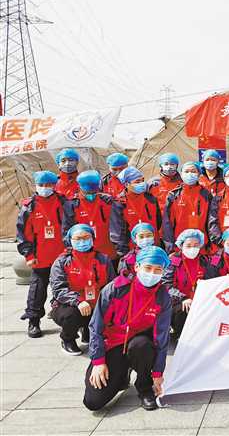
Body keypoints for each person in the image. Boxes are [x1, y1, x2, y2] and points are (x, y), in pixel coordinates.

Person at [83, 246, 172, 411]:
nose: (152, 273)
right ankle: (122, 374)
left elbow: (162, 337)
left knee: (142, 345)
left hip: (139, 346)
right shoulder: (115, 289)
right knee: (93, 402)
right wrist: (98, 361)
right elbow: (95, 327)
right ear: (137, 267)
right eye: (148, 268)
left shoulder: (162, 296)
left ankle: (144, 388)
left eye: (158, 270)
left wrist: (158, 373)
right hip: (113, 345)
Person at [17, 171, 69, 337]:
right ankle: (33, 320)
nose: (45, 188)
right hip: (40, 258)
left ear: (54, 185)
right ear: (36, 185)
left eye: (48, 185)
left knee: (66, 288)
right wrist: (29, 255)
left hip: (63, 257)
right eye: (42, 185)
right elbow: (23, 234)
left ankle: (69, 321)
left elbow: (71, 225)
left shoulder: (63, 202)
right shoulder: (29, 206)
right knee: (37, 291)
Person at [50, 224, 115, 355]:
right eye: (78, 239)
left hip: (97, 302)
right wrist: (78, 301)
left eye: (86, 237)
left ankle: (89, 331)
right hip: (72, 305)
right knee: (70, 315)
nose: (82, 241)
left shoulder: (103, 259)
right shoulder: (62, 262)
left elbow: (112, 284)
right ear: (70, 240)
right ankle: (67, 339)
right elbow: (59, 289)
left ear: (93, 238)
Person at [63, 170, 126, 265]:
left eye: (94, 191)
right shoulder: (72, 205)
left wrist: (120, 250)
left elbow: (119, 226)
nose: (91, 194)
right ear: (79, 187)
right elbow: (67, 232)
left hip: (110, 253)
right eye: (87, 192)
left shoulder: (108, 201)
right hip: (86, 254)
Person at [163, 229, 215, 338]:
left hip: (199, 300)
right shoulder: (173, 261)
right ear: (181, 245)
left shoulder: (204, 261)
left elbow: (211, 282)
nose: (192, 248)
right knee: (184, 309)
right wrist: (183, 298)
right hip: (177, 301)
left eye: (196, 245)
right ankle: (180, 335)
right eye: (189, 245)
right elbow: (166, 285)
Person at [162, 161, 213, 253]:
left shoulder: (206, 195)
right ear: (181, 174)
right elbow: (167, 223)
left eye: (193, 171)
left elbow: (211, 221)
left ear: (199, 174)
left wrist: (210, 245)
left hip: (201, 245)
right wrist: (170, 247)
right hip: (179, 245)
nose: (190, 174)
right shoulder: (173, 195)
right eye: (186, 171)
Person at [117, 166, 162, 249]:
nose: (141, 184)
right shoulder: (120, 202)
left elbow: (159, 221)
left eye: (142, 180)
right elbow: (118, 232)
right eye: (137, 182)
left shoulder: (151, 198)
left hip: (154, 245)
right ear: (127, 184)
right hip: (132, 248)